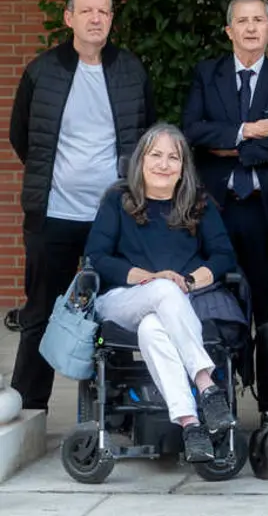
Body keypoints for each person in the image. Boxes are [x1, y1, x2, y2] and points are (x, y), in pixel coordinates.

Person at [9, 0, 154, 411]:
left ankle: (113, 413)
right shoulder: (42, 71)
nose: (95, 19)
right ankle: (30, 410)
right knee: (40, 313)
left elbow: (145, 134)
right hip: (53, 215)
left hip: (114, 217)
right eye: (86, 11)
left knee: (115, 314)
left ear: (111, 18)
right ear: (69, 17)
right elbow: (22, 137)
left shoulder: (130, 71)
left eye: (103, 11)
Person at [83, 124, 239, 463]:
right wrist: (152, 280)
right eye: (156, 155)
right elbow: (97, 257)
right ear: (141, 160)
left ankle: (190, 424)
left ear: (184, 167)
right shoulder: (117, 200)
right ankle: (206, 384)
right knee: (163, 290)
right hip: (123, 299)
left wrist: (189, 282)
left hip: (179, 303)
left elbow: (223, 256)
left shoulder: (198, 203)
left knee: (153, 328)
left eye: (173, 157)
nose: (164, 164)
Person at [182, 0, 268, 334]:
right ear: (229, 31)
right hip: (216, 207)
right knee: (220, 305)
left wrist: (231, 148)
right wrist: (246, 131)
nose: (251, 28)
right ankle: (226, 369)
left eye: (258, 20)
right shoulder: (207, 74)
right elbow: (193, 130)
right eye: (242, 21)